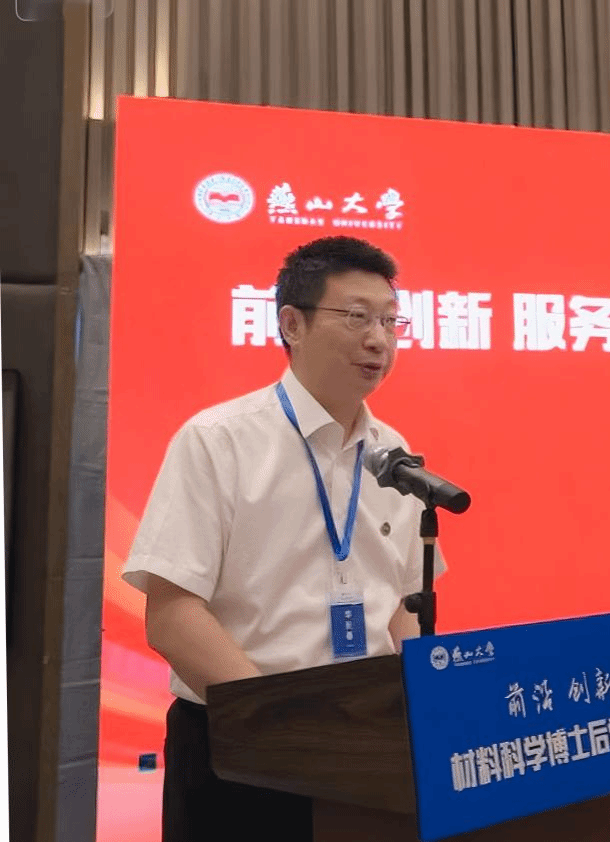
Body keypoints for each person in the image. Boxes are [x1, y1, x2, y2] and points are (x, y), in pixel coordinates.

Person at [122, 235, 445, 842]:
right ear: (292, 324)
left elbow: (401, 606)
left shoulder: (394, 455)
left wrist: (425, 715)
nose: (379, 340)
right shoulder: (219, 440)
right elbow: (172, 614)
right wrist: (282, 726)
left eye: (389, 321)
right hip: (238, 749)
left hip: (368, 749)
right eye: (357, 317)